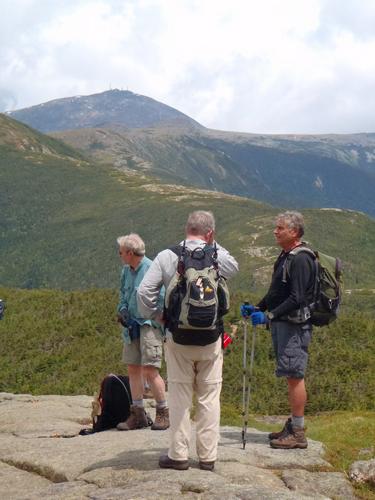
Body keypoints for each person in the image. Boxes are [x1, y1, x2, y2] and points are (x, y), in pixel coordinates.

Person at [137, 210, 239, 471]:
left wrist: (159, 317)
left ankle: (178, 455)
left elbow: (144, 292)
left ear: (186, 229)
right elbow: (234, 269)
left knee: (180, 396)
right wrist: (212, 244)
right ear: (210, 233)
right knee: (209, 396)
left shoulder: (168, 256)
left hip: (178, 338)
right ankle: (207, 457)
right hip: (211, 338)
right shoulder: (216, 255)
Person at [241, 211, 315, 449]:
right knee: (290, 374)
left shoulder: (301, 258)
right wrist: (258, 307)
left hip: (294, 326)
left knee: (294, 375)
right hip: (284, 324)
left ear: (294, 232)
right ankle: (293, 425)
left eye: (280, 228)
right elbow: (277, 291)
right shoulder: (286, 255)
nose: (275, 231)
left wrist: (269, 315)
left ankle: (299, 432)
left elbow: (297, 297)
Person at [116, 233, 169, 431]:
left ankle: (163, 412)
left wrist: (155, 318)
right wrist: (122, 309)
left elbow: (162, 299)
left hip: (149, 325)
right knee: (133, 369)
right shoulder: (126, 271)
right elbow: (123, 293)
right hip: (132, 326)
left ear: (130, 253)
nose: (120, 255)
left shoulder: (151, 268)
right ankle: (138, 414)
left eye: (121, 252)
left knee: (150, 370)